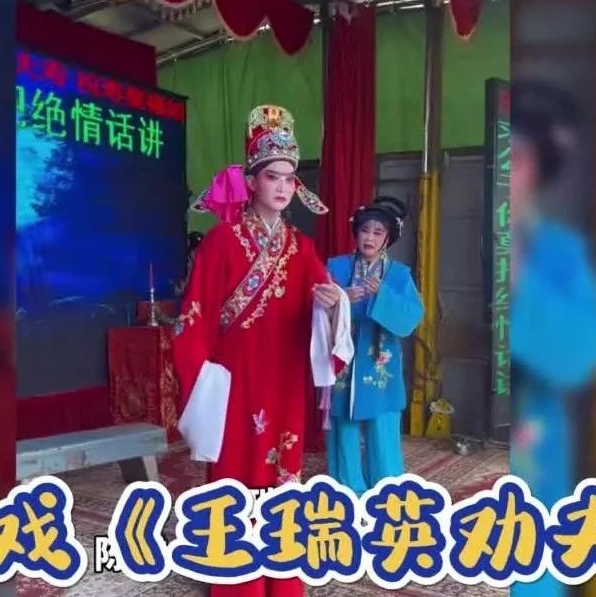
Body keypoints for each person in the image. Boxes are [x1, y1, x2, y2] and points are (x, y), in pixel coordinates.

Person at [172, 105, 344, 597]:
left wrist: (332, 307)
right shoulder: (220, 243)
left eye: (290, 178)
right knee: (233, 479)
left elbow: (322, 313)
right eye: (273, 176)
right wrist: (201, 381)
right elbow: (193, 319)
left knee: (282, 480)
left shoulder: (301, 247)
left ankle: (282, 582)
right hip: (234, 384)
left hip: (282, 381)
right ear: (251, 182)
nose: (283, 187)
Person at [510, 81, 596, 597]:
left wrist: (521, 285)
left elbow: (582, 355)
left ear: (537, 170)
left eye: (516, 159)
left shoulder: (560, 253)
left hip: (535, 451)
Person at [322, 197, 424, 494]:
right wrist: (340, 299)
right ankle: (347, 489)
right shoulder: (337, 267)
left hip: (381, 360)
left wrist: (383, 295)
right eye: (365, 230)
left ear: (387, 239)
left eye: (378, 232)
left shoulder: (398, 275)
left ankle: (387, 491)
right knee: (344, 424)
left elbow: (412, 316)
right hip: (344, 359)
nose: (370, 237)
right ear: (356, 233)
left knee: (383, 425)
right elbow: (314, 309)